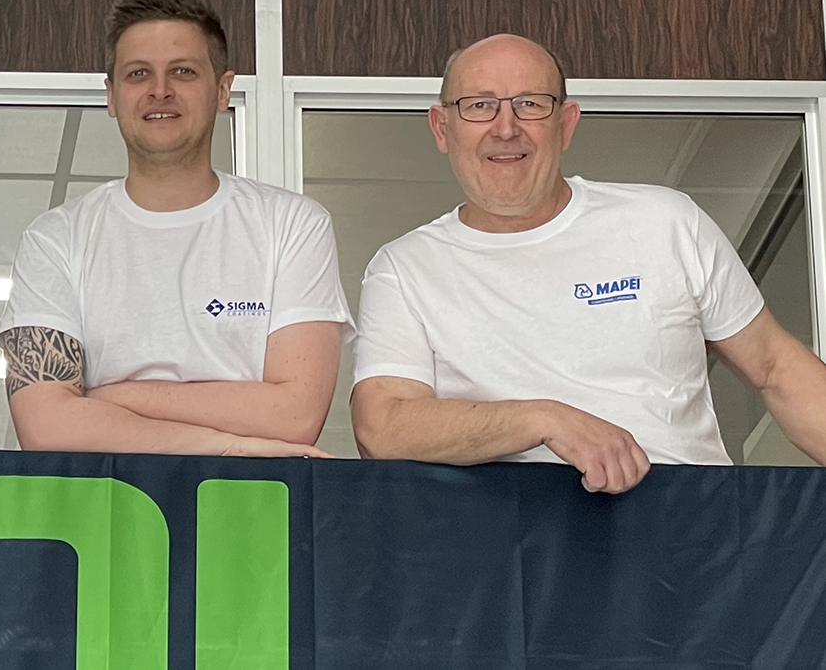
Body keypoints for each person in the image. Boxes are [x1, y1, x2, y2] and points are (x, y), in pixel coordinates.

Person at [351, 34, 826, 491]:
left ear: (566, 124)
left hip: (689, 522)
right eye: (479, 105)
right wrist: (542, 419)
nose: (505, 127)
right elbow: (382, 427)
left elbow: (775, 369)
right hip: (509, 536)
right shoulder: (404, 268)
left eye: (530, 104)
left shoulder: (664, 220)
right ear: (442, 127)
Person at [0, 0, 345, 456]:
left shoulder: (292, 225)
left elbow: (295, 415)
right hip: (107, 501)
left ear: (222, 90)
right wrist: (231, 446)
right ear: (112, 96)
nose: (160, 90)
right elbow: (45, 429)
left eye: (183, 71)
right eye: (138, 73)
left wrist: (112, 397)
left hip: (244, 501)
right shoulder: (55, 239)